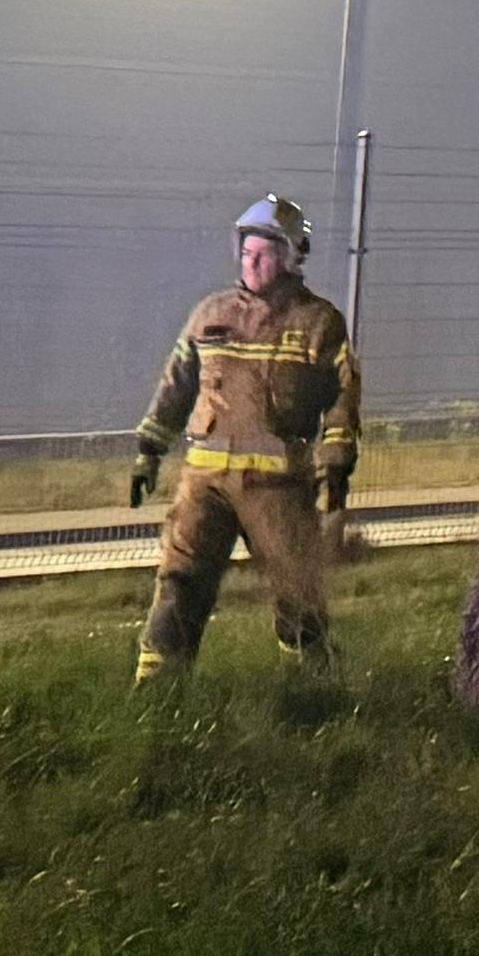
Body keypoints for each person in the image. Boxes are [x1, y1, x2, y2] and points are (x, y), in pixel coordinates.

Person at [130, 192, 362, 681]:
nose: (251, 262)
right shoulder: (209, 315)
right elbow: (176, 386)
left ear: (291, 256)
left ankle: (310, 685)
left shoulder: (318, 323)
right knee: (180, 580)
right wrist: (149, 450)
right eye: (247, 252)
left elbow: (343, 397)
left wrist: (336, 466)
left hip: (278, 487)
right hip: (205, 483)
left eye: (265, 253)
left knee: (297, 590)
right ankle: (157, 688)